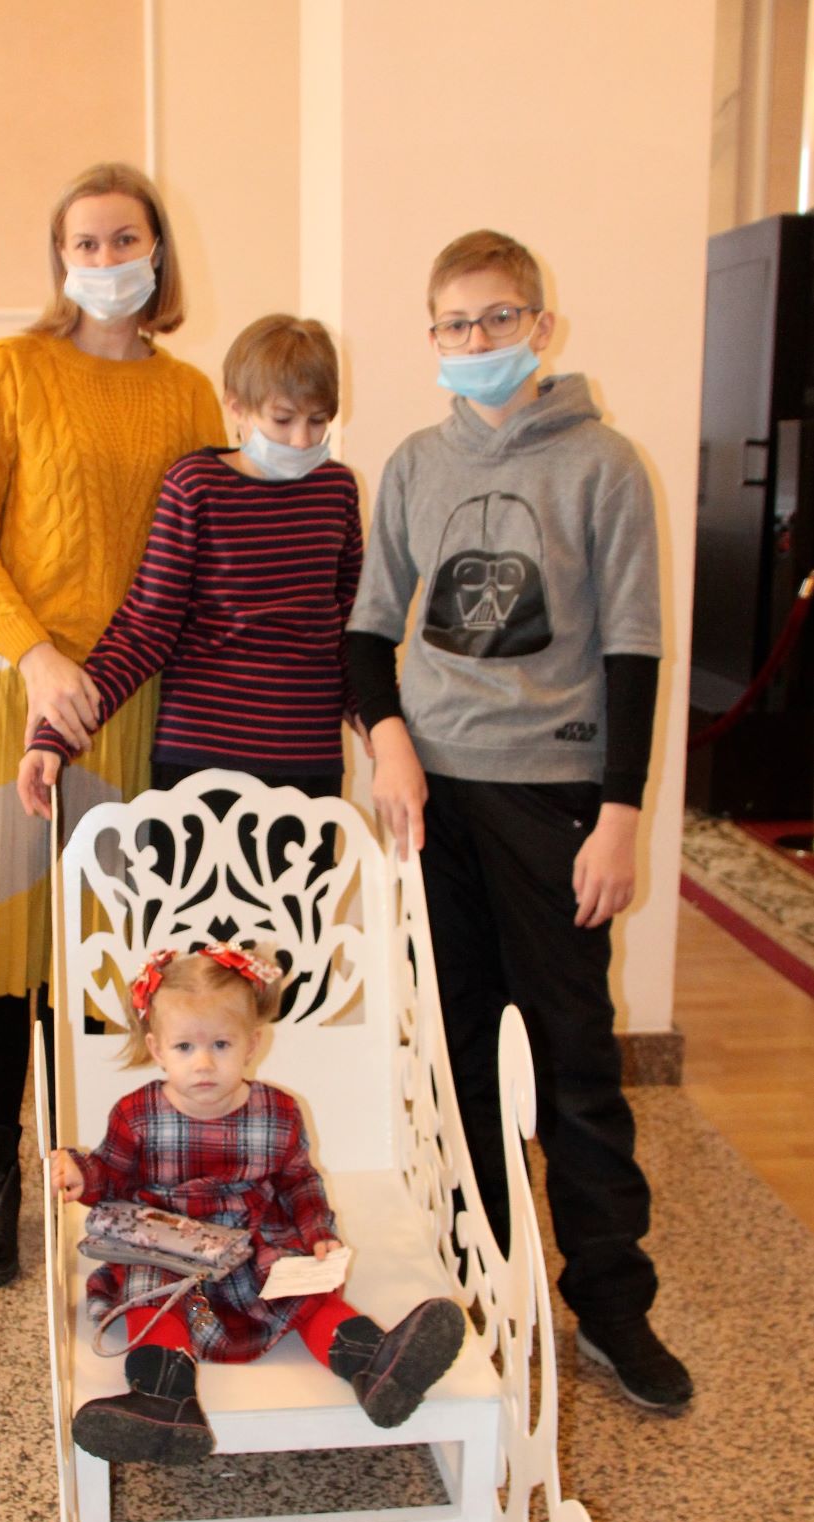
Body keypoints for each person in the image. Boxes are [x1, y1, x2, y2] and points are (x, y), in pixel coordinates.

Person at [345, 229, 693, 1412]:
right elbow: (367, 632)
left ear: (541, 326)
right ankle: (487, 1281)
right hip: (432, 802)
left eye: (498, 318)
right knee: (456, 1052)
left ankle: (613, 1303)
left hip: (556, 798)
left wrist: (621, 813)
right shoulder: (412, 464)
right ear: (432, 337)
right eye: (456, 323)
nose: (477, 339)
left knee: (572, 1056)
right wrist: (388, 739)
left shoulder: (605, 465)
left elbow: (636, 648)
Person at [0, 162, 224, 1290]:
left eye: (123, 239)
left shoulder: (190, 395)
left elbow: (206, 555)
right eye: (83, 243)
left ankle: (87, 1177)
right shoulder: (12, 367)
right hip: (3, 702)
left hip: (126, 714)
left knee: (97, 966)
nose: (104, 260)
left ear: (158, 252)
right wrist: (38, 655)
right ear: (60, 260)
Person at [51, 946, 466, 1464]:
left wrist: (317, 1231)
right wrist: (80, 1173)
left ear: (252, 1043)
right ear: (157, 1048)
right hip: (168, 1246)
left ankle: (373, 1363)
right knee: (150, 1293)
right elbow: (110, 1174)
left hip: (253, 1243)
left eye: (221, 1044)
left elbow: (298, 1180)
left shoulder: (277, 1111)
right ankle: (164, 1399)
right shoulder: (136, 1114)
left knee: (301, 1290)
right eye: (184, 1047)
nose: (203, 1063)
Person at [16, 313, 364, 815]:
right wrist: (55, 737)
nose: (302, 441)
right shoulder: (196, 485)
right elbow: (145, 628)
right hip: (199, 759)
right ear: (237, 407)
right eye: (283, 420)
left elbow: (353, 626)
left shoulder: (337, 490)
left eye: (318, 421)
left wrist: (378, 720)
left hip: (306, 759)